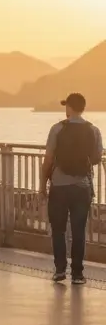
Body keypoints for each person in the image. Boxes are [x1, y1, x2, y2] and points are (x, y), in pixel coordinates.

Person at [41, 92, 102, 285]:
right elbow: (97, 158)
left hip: (59, 186)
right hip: (82, 186)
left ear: (69, 107)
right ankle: (77, 274)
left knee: (58, 229)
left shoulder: (57, 128)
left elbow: (48, 159)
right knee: (78, 230)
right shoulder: (94, 130)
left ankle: (60, 270)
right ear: (83, 108)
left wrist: (42, 185)